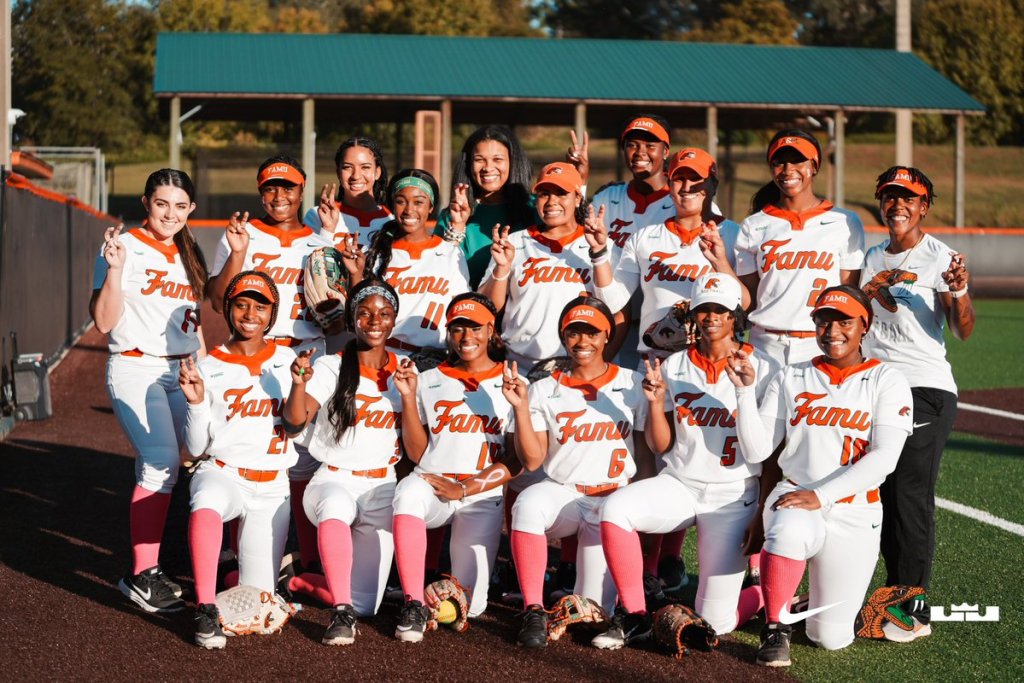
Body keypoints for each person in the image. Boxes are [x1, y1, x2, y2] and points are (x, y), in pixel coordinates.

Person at [593, 273, 775, 650]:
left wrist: (743, 392)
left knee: (714, 624)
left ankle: (763, 596)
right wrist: (656, 404)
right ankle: (634, 615)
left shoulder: (766, 367)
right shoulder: (675, 365)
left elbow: (763, 455)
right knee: (615, 509)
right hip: (680, 484)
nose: (711, 317)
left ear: (734, 315)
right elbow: (661, 446)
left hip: (732, 496)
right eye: (704, 309)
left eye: (720, 310)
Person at [732, 286, 913, 667]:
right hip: (797, 494)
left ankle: (800, 601)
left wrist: (824, 495)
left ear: (865, 326)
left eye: (844, 322)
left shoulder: (887, 380)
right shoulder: (792, 375)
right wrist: (745, 393)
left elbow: (885, 457)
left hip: (857, 510)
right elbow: (757, 451)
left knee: (829, 638)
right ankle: (775, 626)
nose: (832, 331)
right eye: (824, 321)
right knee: (788, 531)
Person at [207, 154, 332, 592]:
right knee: (246, 452)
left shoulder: (319, 241)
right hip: (254, 355)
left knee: (303, 462)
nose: (279, 195)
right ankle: (235, 555)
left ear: (302, 190)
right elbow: (217, 298)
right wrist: (239, 253)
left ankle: (306, 558)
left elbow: (334, 314)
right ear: (260, 192)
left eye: (288, 187)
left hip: (304, 352)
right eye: (270, 188)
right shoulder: (242, 234)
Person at [861, 167, 974, 641]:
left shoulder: (940, 257)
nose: (898, 205)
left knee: (909, 493)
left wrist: (960, 289)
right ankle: (890, 595)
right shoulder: (871, 256)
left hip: (923, 388)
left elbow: (963, 329)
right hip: (874, 386)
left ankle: (914, 609)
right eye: (890, 196)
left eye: (908, 198)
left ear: (924, 206)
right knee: (881, 494)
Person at [91, 168, 208, 614]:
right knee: (161, 462)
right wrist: (115, 270)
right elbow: (104, 322)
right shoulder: (123, 247)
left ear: (191, 209)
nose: (170, 214)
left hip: (182, 369)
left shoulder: (189, 250)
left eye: (180, 206)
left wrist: (206, 373)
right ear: (146, 203)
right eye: (161, 204)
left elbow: (193, 325)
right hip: (136, 367)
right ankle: (142, 574)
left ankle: (219, 559)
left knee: (208, 452)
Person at [505, 297, 649, 648]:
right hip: (564, 493)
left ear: (607, 336)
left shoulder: (634, 383)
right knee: (527, 503)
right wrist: (521, 409)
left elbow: (648, 457)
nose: (582, 341)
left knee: (591, 615)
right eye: (573, 333)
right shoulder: (542, 389)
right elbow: (533, 461)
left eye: (592, 333)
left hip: (612, 502)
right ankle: (533, 609)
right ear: (563, 336)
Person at [390, 293, 520, 642]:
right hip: (433, 484)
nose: (466, 337)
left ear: (491, 330)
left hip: (480, 495)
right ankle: (413, 602)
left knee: (470, 606)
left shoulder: (511, 381)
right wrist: (407, 397)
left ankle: (432, 595)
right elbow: (417, 452)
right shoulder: (429, 379)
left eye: (475, 327)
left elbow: (516, 459)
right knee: (407, 493)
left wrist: (464, 488)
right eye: (458, 328)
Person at [282, 278, 404, 646]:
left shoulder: (406, 370)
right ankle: (340, 613)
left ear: (394, 319)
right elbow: (294, 423)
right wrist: (298, 384)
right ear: (351, 320)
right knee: (336, 505)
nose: (375, 320)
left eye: (384, 313)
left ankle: (295, 579)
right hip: (332, 480)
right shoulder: (330, 367)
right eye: (364, 313)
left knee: (366, 605)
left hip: (382, 485)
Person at [179, 271, 296, 649]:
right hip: (224, 474)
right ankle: (204, 606)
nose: (250, 314)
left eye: (260, 307)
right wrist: (196, 402)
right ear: (228, 309)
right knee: (207, 500)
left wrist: (302, 385)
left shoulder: (288, 361)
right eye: (241, 304)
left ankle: (229, 576)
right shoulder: (208, 366)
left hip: (273, 486)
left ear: (272, 313)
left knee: (259, 600)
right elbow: (196, 447)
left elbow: (297, 427)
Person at [735, 130, 865, 367]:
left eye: (797, 161)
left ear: (814, 166)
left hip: (820, 343)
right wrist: (719, 261)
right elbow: (749, 301)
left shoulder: (845, 222)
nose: (788, 169)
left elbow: (849, 295)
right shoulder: (753, 225)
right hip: (765, 343)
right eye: (779, 162)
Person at [479, 162, 598, 373]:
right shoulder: (514, 242)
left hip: (578, 367)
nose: (552, 201)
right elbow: (486, 308)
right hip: (519, 367)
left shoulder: (597, 243)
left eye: (561, 193)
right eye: (544, 194)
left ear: (578, 198)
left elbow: (617, 311)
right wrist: (501, 269)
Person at [344, 170, 471, 355]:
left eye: (418, 202)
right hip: (386, 355)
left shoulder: (450, 253)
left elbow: (461, 312)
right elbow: (357, 315)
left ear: (431, 207)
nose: (409, 210)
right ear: (392, 205)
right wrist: (355, 274)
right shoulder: (375, 252)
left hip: (435, 357)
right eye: (401, 201)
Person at [436, 125, 536, 288]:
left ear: (513, 162)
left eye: (498, 159)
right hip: (467, 302)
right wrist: (457, 227)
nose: (488, 168)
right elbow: (437, 272)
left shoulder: (535, 209)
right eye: (479, 160)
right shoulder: (452, 215)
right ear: (468, 164)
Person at [304, 136, 392, 248]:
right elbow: (307, 257)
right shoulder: (317, 215)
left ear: (377, 172)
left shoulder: (392, 220)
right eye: (347, 167)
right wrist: (327, 230)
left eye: (365, 167)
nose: (356, 176)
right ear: (338, 173)